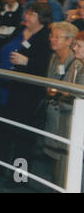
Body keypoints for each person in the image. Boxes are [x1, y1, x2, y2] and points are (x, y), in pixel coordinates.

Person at [0, 2, 52, 187]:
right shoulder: (19, 30)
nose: (27, 16)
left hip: (25, 95)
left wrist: (28, 62)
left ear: (41, 19)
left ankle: (19, 176)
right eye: (27, 12)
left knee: (22, 139)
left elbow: (46, 67)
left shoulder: (44, 38)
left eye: (32, 14)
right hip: (4, 90)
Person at [43, 22, 83, 188]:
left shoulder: (76, 64)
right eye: (51, 35)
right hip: (55, 115)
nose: (52, 39)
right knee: (57, 160)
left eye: (56, 36)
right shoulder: (53, 57)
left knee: (65, 162)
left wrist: (58, 93)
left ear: (69, 40)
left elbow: (75, 95)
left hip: (67, 119)